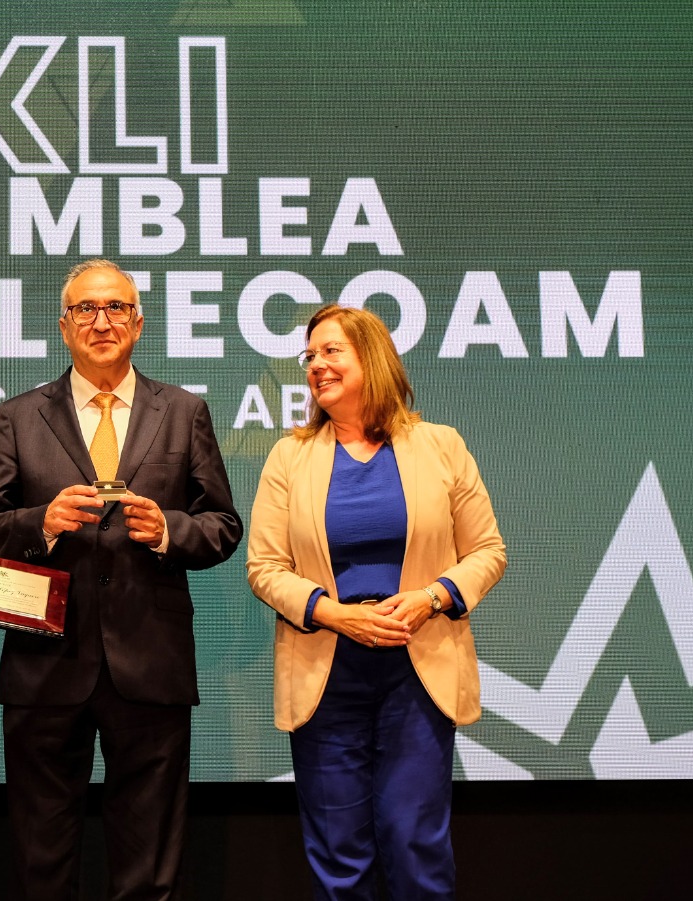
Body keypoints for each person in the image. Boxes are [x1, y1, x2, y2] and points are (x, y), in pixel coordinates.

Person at [0, 259, 242, 901]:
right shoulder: (18, 415)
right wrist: (43, 522)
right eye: (86, 309)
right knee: (42, 859)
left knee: (150, 862)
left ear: (138, 324)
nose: (102, 321)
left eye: (116, 308)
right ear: (64, 325)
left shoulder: (184, 411)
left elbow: (223, 526)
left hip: (151, 662)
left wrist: (170, 530)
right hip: (45, 662)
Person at [246, 304, 506, 901]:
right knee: (339, 853)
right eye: (310, 356)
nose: (315, 365)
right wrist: (335, 614)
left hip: (418, 670)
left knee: (413, 840)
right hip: (326, 673)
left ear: (373, 357)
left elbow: (488, 552)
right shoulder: (289, 456)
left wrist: (432, 598)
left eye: (331, 351)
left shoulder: (441, 445)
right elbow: (264, 568)